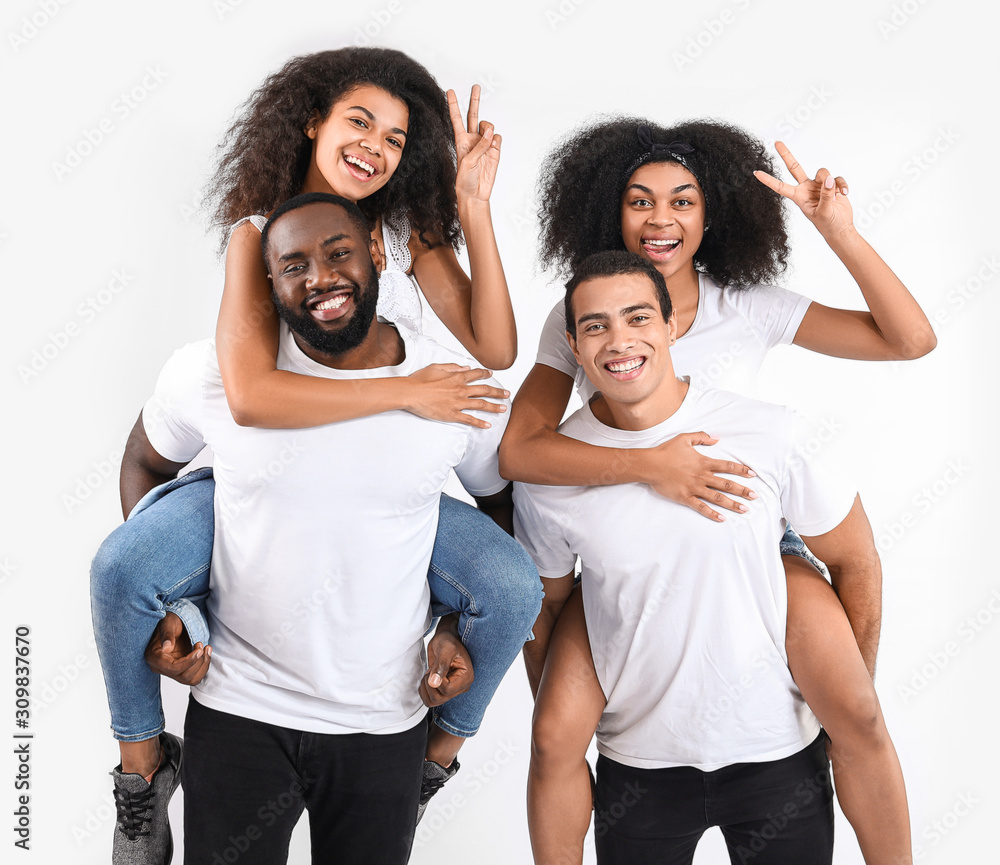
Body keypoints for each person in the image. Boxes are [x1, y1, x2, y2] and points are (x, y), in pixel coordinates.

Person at [91, 48, 541, 864]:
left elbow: (497, 343)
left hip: (388, 470)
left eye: (398, 137)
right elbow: (256, 396)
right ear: (312, 122)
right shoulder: (258, 233)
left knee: (511, 583)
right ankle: (141, 767)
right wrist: (406, 392)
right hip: (267, 455)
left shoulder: (406, 228)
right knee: (121, 570)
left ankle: (433, 761)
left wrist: (472, 205)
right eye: (358, 121)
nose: (375, 146)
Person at [499, 118, 930, 864]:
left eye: (682, 201)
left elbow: (909, 340)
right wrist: (650, 465)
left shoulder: (748, 306)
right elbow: (522, 449)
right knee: (554, 734)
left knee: (856, 711)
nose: (660, 219)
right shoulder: (580, 316)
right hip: (616, 530)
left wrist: (840, 234)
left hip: (755, 528)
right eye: (639, 201)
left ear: (710, 214)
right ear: (611, 210)